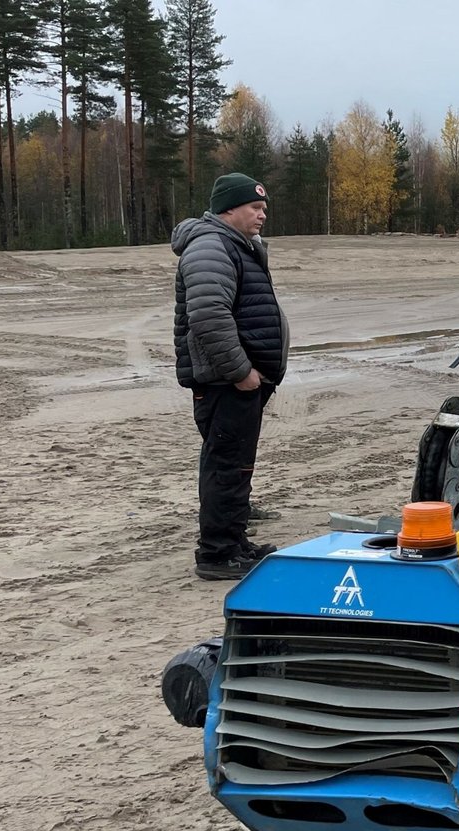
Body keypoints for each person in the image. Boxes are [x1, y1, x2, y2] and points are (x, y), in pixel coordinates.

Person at [172, 172, 288, 581]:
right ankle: (218, 553)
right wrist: (241, 372)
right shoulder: (210, 247)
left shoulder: (236, 246)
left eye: (264, 208)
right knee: (226, 465)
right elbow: (208, 316)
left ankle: (235, 543)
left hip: (239, 381)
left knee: (236, 465)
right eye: (255, 208)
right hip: (226, 382)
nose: (262, 215)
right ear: (229, 209)